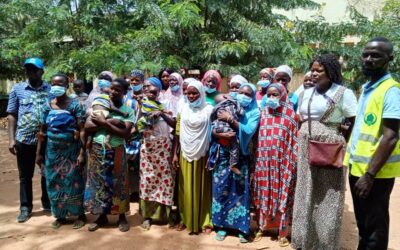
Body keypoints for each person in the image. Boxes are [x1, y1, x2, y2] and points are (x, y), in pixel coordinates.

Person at [291, 54, 358, 249]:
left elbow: (352, 119)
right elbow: (300, 116)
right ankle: (303, 240)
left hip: (329, 147)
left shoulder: (343, 93)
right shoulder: (306, 92)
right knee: (305, 192)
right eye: (312, 69)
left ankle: (324, 243)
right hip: (305, 146)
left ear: (331, 71)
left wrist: (339, 141)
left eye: (319, 70)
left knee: (328, 195)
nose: (313, 73)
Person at [344, 37, 400, 250]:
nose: (368, 59)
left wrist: (369, 175)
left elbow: (391, 136)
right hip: (358, 170)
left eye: (375, 55)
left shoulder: (391, 90)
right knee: (364, 228)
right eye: (366, 54)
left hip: (374, 174)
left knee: (375, 230)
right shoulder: (369, 88)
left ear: (389, 59)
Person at [211, 83, 260, 243]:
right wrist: (219, 134)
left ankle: (242, 228)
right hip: (222, 154)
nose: (244, 96)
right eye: (241, 92)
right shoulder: (225, 106)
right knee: (221, 189)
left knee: (241, 192)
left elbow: (248, 131)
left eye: (248, 94)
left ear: (253, 97)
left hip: (241, 156)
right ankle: (221, 226)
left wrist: (230, 119)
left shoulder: (254, 112)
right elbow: (210, 126)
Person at [36, 73, 86, 229]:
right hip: (52, 151)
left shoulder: (75, 105)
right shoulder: (46, 106)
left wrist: (82, 153)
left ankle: (80, 214)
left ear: (67, 85)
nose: (56, 86)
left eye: (60, 83)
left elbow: (82, 130)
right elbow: (42, 132)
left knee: (74, 181)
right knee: (53, 181)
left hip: (72, 150)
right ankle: (60, 215)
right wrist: (38, 153)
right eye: (53, 83)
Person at [84, 78, 134, 232]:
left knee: (119, 183)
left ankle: (121, 217)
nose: (113, 92)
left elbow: (125, 133)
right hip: (97, 150)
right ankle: (101, 216)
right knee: (98, 183)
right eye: (111, 89)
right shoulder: (101, 106)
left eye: (117, 90)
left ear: (124, 93)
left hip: (117, 149)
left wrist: (104, 123)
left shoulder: (129, 111)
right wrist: (114, 122)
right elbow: (88, 126)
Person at [253, 83, 298, 247]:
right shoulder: (263, 112)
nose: (271, 98)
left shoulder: (290, 115)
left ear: (283, 96)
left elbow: (294, 141)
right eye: (269, 95)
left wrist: (291, 163)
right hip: (264, 164)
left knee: (282, 195)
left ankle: (282, 233)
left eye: (275, 95)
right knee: (264, 193)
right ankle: (262, 227)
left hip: (283, 165)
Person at [7, 57, 51, 223]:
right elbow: (12, 114)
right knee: (25, 176)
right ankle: (25, 207)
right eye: (28, 69)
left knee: (46, 173)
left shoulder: (51, 89)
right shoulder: (17, 89)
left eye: (34, 69)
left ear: (42, 71)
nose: (31, 72)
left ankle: (47, 203)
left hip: (47, 140)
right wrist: (11, 140)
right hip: (24, 140)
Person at [172, 80, 214, 234]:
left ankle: (204, 221)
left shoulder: (209, 110)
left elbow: (212, 134)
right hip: (185, 152)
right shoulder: (182, 109)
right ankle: (185, 219)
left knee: (202, 188)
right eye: (188, 93)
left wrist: (211, 156)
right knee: (185, 189)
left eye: (194, 92)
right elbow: (177, 132)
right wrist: (175, 154)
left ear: (201, 93)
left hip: (203, 153)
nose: (191, 96)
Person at [138, 77, 177, 230]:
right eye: (146, 87)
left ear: (159, 89)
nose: (148, 90)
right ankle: (147, 217)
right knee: (147, 181)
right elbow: (137, 125)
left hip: (163, 147)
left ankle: (166, 215)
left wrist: (160, 113)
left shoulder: (166, 104)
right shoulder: (141, 105)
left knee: (165, 181)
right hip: (148, 147)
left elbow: (174, 124)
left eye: (152, 88)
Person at [124, 69, 145, 201]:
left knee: (139, 166)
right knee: (129, 167)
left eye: (137, 80)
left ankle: (139, 192)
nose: (134, 82)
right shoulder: (126, 97)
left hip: (140, 136)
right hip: (127, 136)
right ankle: (131, 191)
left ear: (142, 82)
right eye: (132, 80)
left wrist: (136, 129)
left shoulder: (146, 97)